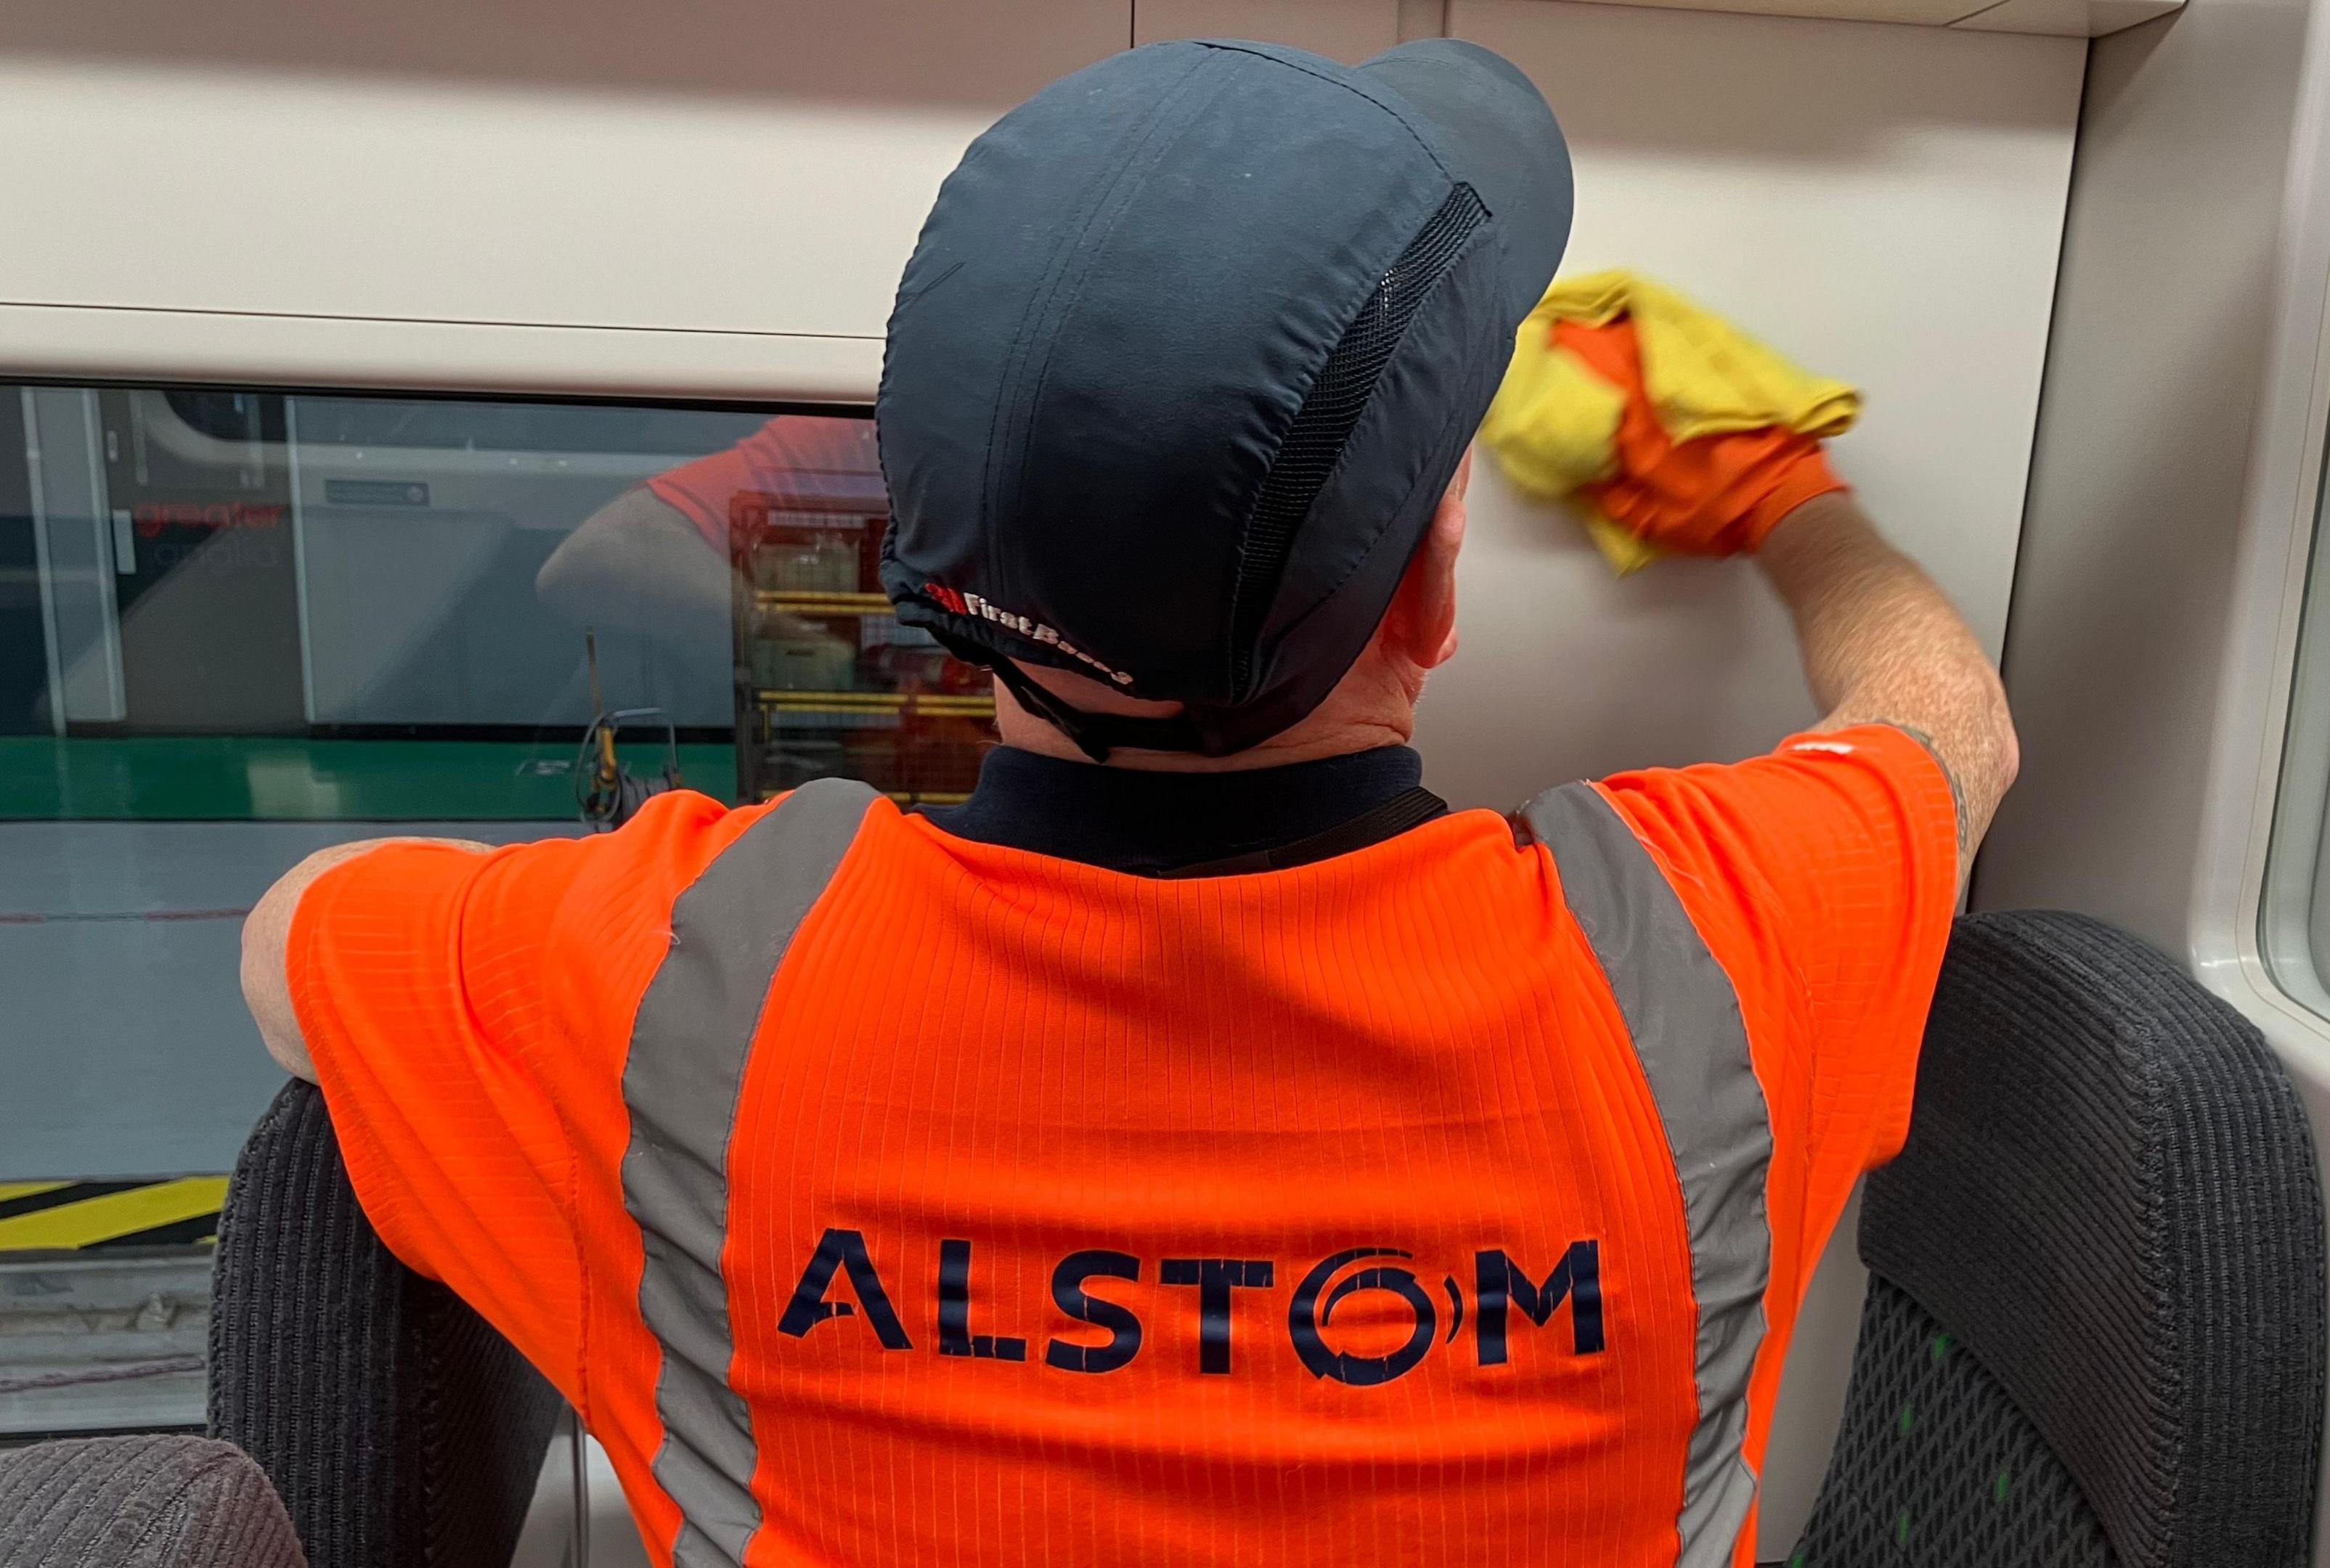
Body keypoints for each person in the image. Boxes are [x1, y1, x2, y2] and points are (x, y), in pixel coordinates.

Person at [238, 37, 2013, 1568]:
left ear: (929, 552)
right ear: (1433, 588)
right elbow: (1952, 729)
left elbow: (286, 944)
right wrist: (1785, 495)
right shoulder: (1704, 960)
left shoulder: (673, 989)